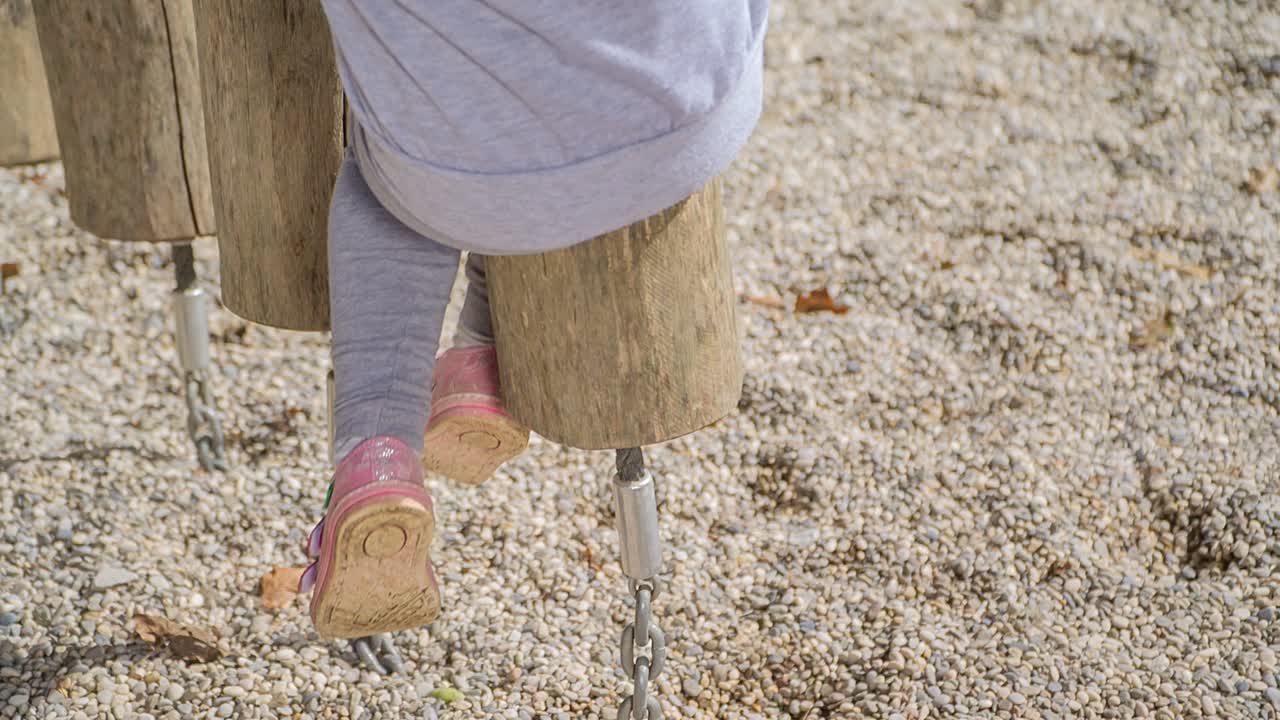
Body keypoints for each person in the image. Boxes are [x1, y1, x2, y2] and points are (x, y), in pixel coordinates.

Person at [300, 1, 769, 640]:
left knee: (399, 150)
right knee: (525, 97)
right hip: (683, 118)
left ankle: (378, 450)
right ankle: (481, 352)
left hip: (453, 171)